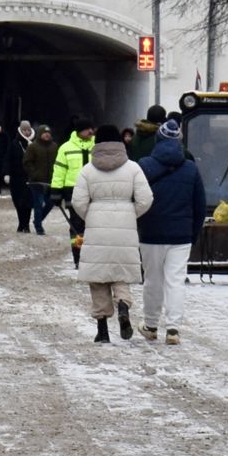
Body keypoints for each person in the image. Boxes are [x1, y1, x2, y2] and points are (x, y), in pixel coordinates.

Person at [73, 124, 154, 343]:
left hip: (97, 228)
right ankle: (124, 308)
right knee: (122, 274)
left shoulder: (87, 170)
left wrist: (92, 215)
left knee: (98, 278)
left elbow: (78, 202)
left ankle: (102, 330)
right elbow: (146, 199)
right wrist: (129, 214)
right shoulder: (133, 168)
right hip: (124, 229)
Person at [136, 116, 204, 343]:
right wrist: (192, 234)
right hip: (181, 235)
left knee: (152, 280)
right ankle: (173, 329)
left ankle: (151, 325)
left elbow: (136, 199)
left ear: (158, 139)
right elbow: (200, 206)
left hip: (150, 233)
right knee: (175, 281)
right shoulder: (191, 169)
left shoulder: (144, 166)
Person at [50, 120, 95, 226]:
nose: (90, 131)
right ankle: (76, 242)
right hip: (72, 190)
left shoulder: (97, 147)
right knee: (75, 221)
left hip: (93, 190)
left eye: (91, 129)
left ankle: (87, 242)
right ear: (79, 131)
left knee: (91, 222)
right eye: (87, 129)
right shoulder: (65, 148)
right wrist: (56, 191)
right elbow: (59, 171)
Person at [23, 123, 58, 233]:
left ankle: (38, 220)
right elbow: (27, 162)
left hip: (51, 180)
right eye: (44, 133)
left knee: (51, 202)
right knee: (38, 203)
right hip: (36, 181)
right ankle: (39, 227)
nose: (47, 135)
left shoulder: (54, 146)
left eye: (48, 133)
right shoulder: (33, 146)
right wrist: (34, 173)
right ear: (40, 134)